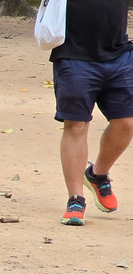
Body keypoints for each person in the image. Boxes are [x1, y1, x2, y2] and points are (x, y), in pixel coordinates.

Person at [52, 0, 133, 226]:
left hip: (119, 53)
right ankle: (75, 199)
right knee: (76, 125)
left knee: (127, 122)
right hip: (74, 54)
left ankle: (97, 175)